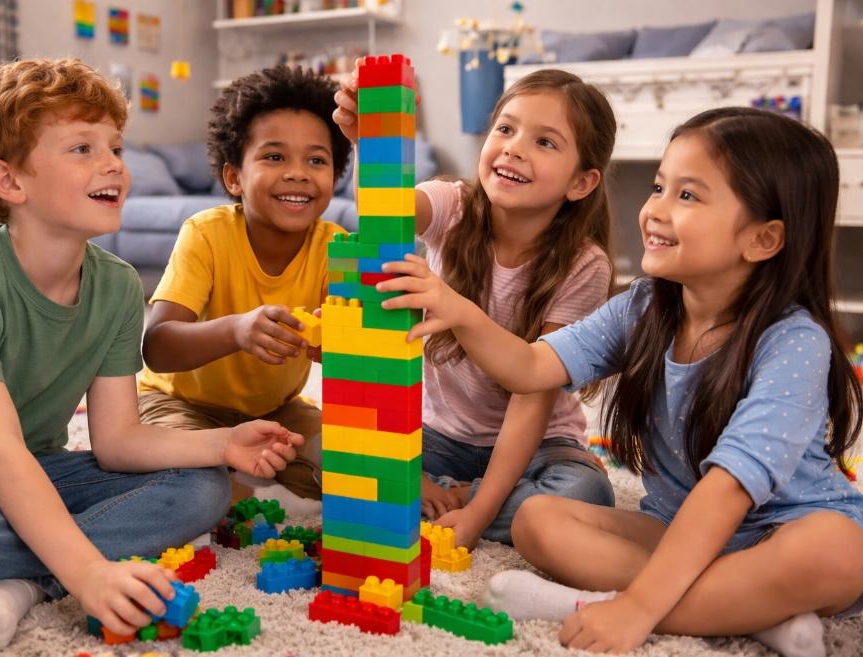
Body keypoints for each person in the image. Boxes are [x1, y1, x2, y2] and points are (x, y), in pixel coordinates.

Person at [376, 106, 863, 657]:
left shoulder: (794, 341)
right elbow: (531, 368)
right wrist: (459, 311)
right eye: (660, 187)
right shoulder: (643, 307)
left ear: (763, 239)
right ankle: (752, 614)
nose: (654, 209)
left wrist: (634, 610)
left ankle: (601, 604)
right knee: (538, 521)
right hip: (676, 529)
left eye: (687, 196)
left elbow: (729, 489)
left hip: (785, 529)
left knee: (839, 553)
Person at [0, 58, 302, 649]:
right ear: (9, 182)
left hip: (37, 468)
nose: (113, 165)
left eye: (116, 147)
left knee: (202, 488)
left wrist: (223, 444)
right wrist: (89, 573)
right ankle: (61, 564)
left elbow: (119, 440)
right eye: (82, 148)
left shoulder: (120, 285)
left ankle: (16, 582)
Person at [333, 68, 615, 547]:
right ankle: (444, 491)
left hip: (540, 445)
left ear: (581, 182)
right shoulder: (454, 204)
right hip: (440, 436)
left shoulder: (584, 265)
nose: (513, 147)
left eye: (545, 142)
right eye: (505, 129)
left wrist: (479, 512)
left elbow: (532, 395)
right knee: (342, 461)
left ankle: (454, 497)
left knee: (586, 494)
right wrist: (370, 142)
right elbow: (384, 217)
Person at [138, 65, 352, 507]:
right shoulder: (207, 233)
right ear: (234, 177)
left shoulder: (336, 247)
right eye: (275, 157)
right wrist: (236, 330)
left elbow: (347, 350)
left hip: (276, 412)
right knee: (194, 489)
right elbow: (157, 344)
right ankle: (227, 474)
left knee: (354, 468)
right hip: (180, 405)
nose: (297, 173)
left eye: (316, 160)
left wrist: (334, 344)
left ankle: (248, 468)